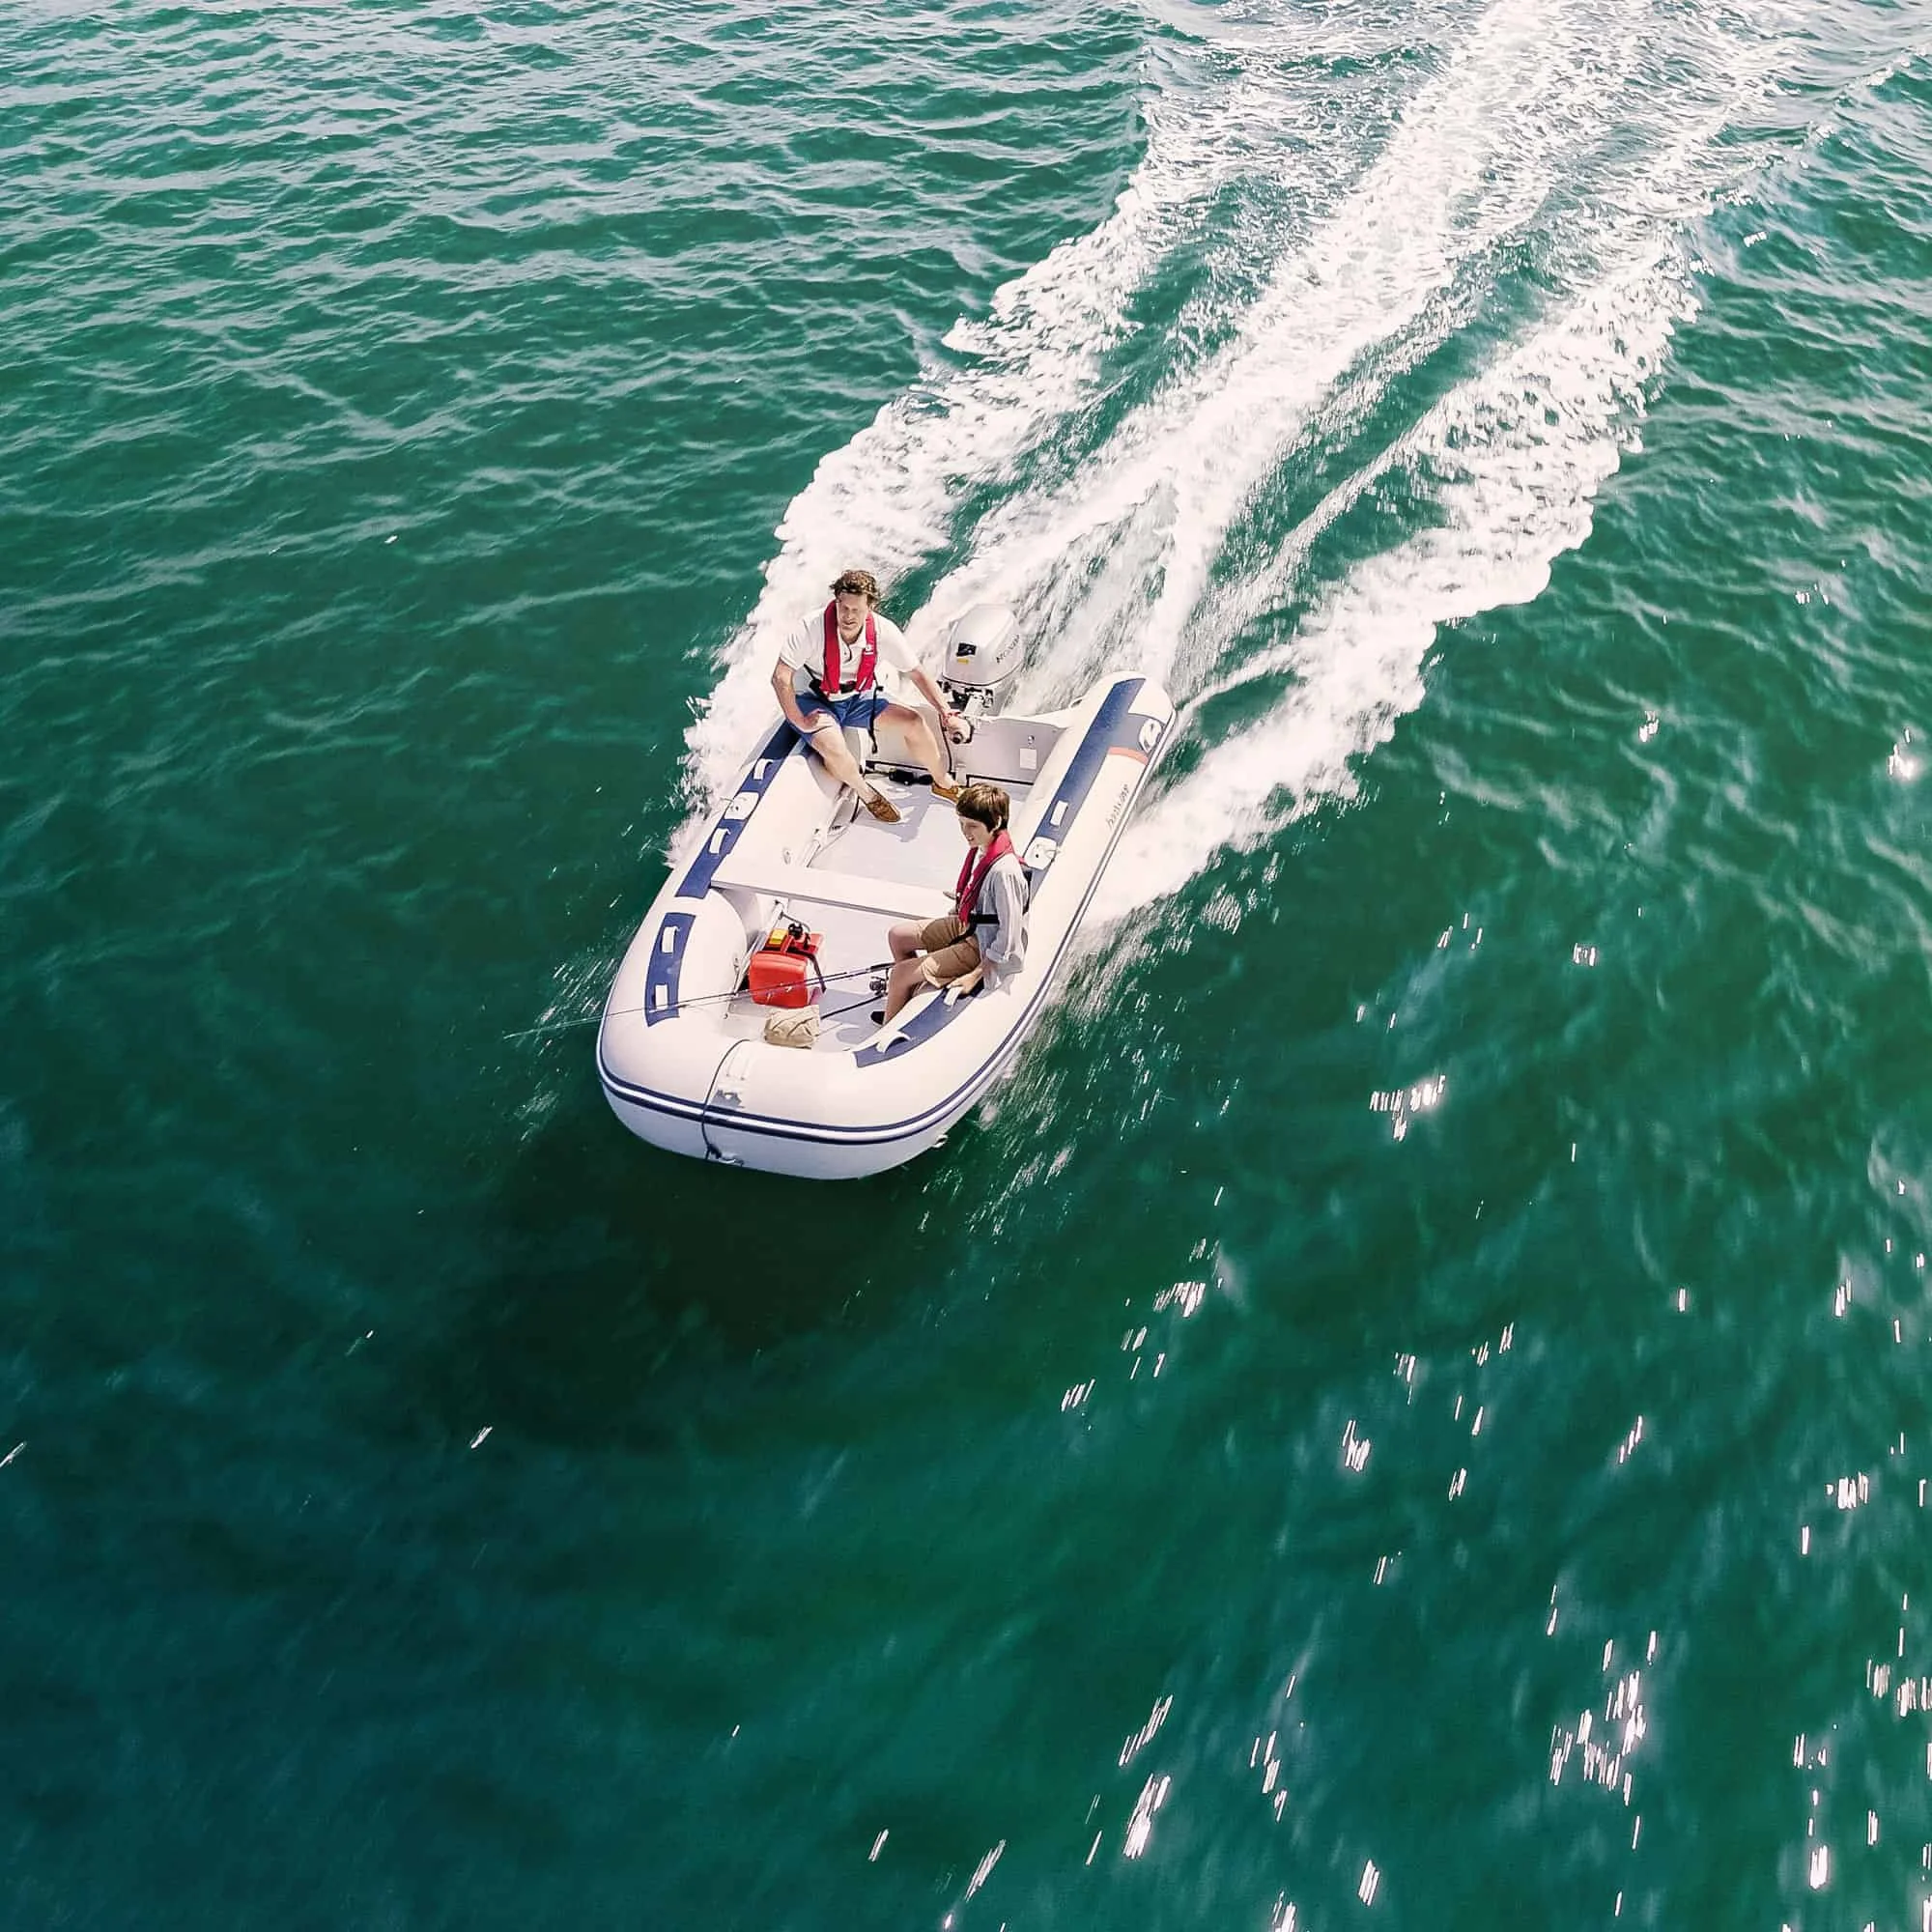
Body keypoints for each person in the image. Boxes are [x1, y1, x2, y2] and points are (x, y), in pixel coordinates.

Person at [771, 568, 965, 824]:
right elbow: (780, 677)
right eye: (844, 607)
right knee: (836, 750)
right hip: (816, 700)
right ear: (836, 601)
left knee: (914, 722)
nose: (848, 616)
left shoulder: (884, 632)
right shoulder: (811, 627)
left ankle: (942, 782)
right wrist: (799, 720)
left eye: (856, 610)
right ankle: (868, 794)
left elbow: (917, 674)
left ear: (870, 608)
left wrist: (947, 713)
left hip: (857, 698)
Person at [878, 782, 1027, 1023]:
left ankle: (890, 1020)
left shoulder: (1004, 872)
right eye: (961, 824)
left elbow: (1008, 938)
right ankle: (904, 997)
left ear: (996, 822)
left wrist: (976, 975)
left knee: (899, 975)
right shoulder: (982, 848)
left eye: (972, 826)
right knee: (898, 935)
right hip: (967, 925)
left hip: (981, 944)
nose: (965, 832)